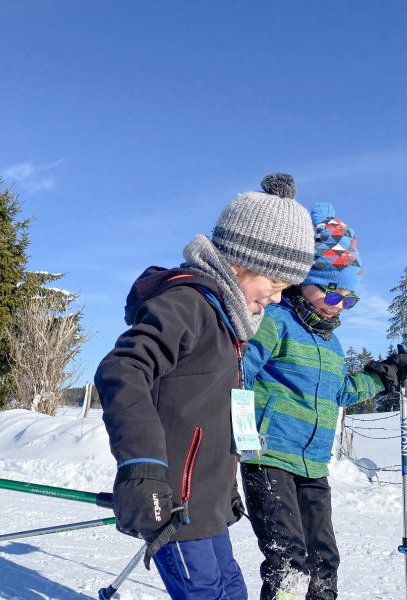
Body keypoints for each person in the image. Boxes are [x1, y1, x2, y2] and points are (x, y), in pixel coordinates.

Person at [95, 173, 315, 600]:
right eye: (275, 284)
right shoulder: (188, 304)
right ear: (239, 262)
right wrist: (141, 468)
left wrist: (225, 489)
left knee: (233, 592)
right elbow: (123, 370)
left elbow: (208, 418)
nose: (275, 299)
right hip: (172, 504)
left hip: (208, 509)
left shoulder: (230, 327)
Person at [241, 202, 407, 600]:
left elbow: (337, 392)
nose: (338, 305)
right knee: (289, 564)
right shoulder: (275, 321)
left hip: (313, 463)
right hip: (268, 457)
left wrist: (380, 377)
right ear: (305, 281)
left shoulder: (330, 342)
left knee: (324, 561)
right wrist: (235, 436)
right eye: (332, 291)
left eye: (348, 299)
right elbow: (238, 373)